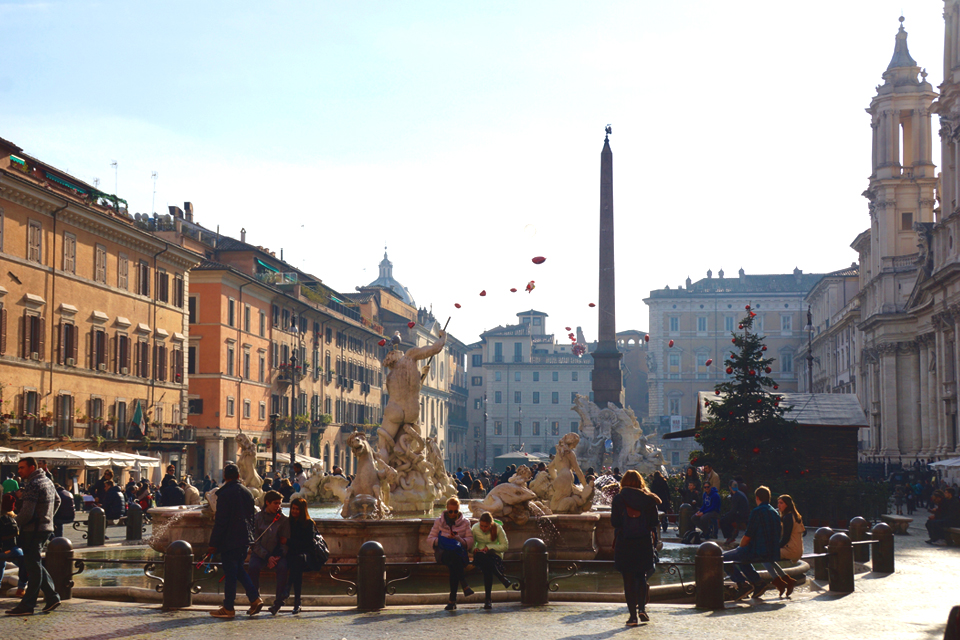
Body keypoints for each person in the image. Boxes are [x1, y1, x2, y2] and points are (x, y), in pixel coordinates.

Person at [6, 457, 61, 616]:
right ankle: (52, 597)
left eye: (22, 468)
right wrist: (47, 518)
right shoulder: (47, 481)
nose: (19, 471)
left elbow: (27, 513)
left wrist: (14, 525)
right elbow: (57, 501)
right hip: (45, 529)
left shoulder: (32, 484)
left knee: (33, 567)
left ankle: (28, 604)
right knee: (35, 563)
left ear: (31, 467)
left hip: (33, 530)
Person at [207, 463, 262, 618]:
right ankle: (254, 599)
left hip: (229, 540)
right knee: (238, 569)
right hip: (244, 538)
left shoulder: (224, 494)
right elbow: (251, 518)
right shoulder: (248, 493)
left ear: (225, 477)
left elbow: (221, 521)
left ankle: (229, 607)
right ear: (239, 476)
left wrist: (213, 544)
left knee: (231, 574)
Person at [610, 470, 660, 626]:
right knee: (641, 576)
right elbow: (655, 521)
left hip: (625, 542)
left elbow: (614, 522)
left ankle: (632, 617)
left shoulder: (619, 499)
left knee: (628, 580)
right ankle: (642, 609)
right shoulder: (649, 499)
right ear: (640, 482)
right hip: (643, 542)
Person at [722, 485, 782, 601]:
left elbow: (748, 536)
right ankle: (758, 583)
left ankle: (742, 584)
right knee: (742, 556)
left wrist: (740, 547)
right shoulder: (775, 512)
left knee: (724, 557)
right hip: (773, 551)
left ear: (757, 498)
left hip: (758, 551)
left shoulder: (757, 512)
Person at [427, 496, 474, 610]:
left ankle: (452, 600)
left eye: (456, 511)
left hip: (458, 554)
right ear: (447, 509)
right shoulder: (439, 522)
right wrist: (443, 541)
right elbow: (430, 539)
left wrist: (458, 538)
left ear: (459, 510)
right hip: (443, 554)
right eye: (450, 511)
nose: (453, 514)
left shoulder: (465, 522)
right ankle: (463, 584)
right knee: (453, 559)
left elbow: (470, 541)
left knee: (454, 564)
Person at [272, 497, 316, 615]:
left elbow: (308, 544)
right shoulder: (288, 522)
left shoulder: (308, 523)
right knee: (296, 567)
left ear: (303, 510)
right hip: (292, 555)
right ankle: (296, 602)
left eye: (297, 509)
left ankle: (283, 597)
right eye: (293, 508)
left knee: (297, 562)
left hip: (305, 555)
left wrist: (288, 542)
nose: (294, 511)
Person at [248, 490, 289, 614]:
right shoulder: (257, 518)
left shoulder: (284, 520)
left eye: (280, 503)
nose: (278, 506)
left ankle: (278, 602)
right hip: (260, 554)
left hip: (277, 555)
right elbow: (254, 542)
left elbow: (285, 542)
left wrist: (276, 557)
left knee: (283, 568)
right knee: (252, 568)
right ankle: (255, 600)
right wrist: (266, 557)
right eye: (275, 503)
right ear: (267, 503)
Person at [471, 511, 511, 609]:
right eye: (482, 526)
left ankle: (488, 600)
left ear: (491, 524)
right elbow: (471, 545)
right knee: (483, 558)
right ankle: (500, 577)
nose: (483, 528)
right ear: (479, 523)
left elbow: (505, 546)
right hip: (480, 555)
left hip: (493, 555)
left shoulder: (498, 528)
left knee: (487, 568)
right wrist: (474, 549)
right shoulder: (475, 528)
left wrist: (489, 547)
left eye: (486, 526)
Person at [770, 494, 804, 597]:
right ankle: (786, 580)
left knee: (765, 554)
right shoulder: (796, 516)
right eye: (778, 503)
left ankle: (780, 581)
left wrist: (776, 547)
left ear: (787, 505)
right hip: (798, 549)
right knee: (768, 556)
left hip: (791, 550)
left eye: (781, 503)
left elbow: (786, 538)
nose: (779, 505)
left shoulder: (788, 517)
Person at [0, 494, 24, 594]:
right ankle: (21, 587)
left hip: (2, 551)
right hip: (10, 550)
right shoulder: (14, 520)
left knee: (1, 564)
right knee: (24, 560)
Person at [720, 480, 750, 545]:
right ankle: (732, 534)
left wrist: (726, 514)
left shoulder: (736, 496)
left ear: (730, 487)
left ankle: (730, 536)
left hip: (740, 515)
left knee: (723, 520)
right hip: (744, 513)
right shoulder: (740, 493)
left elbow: (733, 511)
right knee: (726, 517)